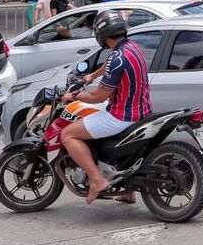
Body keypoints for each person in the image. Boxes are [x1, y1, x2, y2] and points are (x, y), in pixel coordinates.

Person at [60, 10, 152, 204]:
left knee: (67, 135)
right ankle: (128, 191)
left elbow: (98, 96)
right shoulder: (131, 47)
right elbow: (110, 65)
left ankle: (97, 179)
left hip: (121, 115)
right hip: (141, 109)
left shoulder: (117, 58)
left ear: (102, 34)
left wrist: (72, 96)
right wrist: (92, 76)